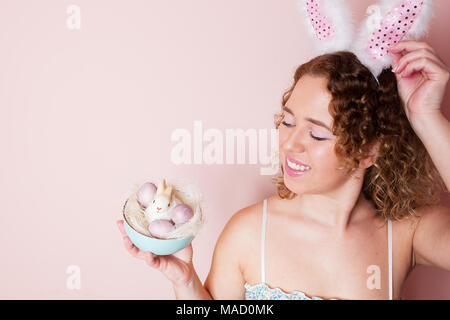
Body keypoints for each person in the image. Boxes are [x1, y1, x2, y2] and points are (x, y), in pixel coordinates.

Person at [116, 40, 450, 300]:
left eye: (317, 133)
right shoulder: (248, 232)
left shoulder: (405, 233)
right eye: (288, 121)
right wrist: (187, 281)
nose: (290, 144)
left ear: (368, 151)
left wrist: (426, 116)